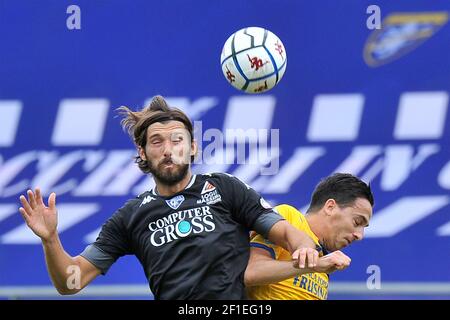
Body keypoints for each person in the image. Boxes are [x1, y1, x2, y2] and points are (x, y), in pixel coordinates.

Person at [18, 95, 321, 300]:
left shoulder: (226, 189)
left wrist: (305, 248)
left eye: (178, 140)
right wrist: (50, 239)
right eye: (156, 141)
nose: (168, 149)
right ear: (143, 152)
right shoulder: (130, 216)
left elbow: (284, 231)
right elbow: (71, 282)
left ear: (192, 148)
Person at [245, 173, 374, 300]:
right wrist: (311, 265)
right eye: (357, 222)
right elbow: (250, 272)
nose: (360, 235)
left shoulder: (325, 265)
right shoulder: (289, 218)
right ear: (330, 207)